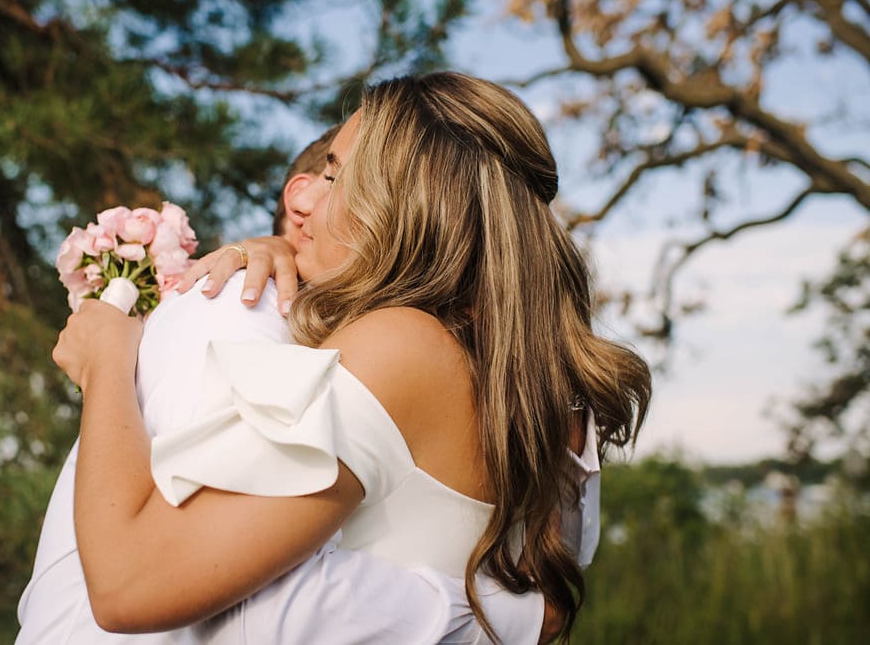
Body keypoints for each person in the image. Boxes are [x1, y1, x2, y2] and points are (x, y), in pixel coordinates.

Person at [52, 72, 650, 641]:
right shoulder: (544, 393)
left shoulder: (403, 345)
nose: (303, 194)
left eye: (336, 176)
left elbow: (129, 583)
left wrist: (107, 358)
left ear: (406, 210)